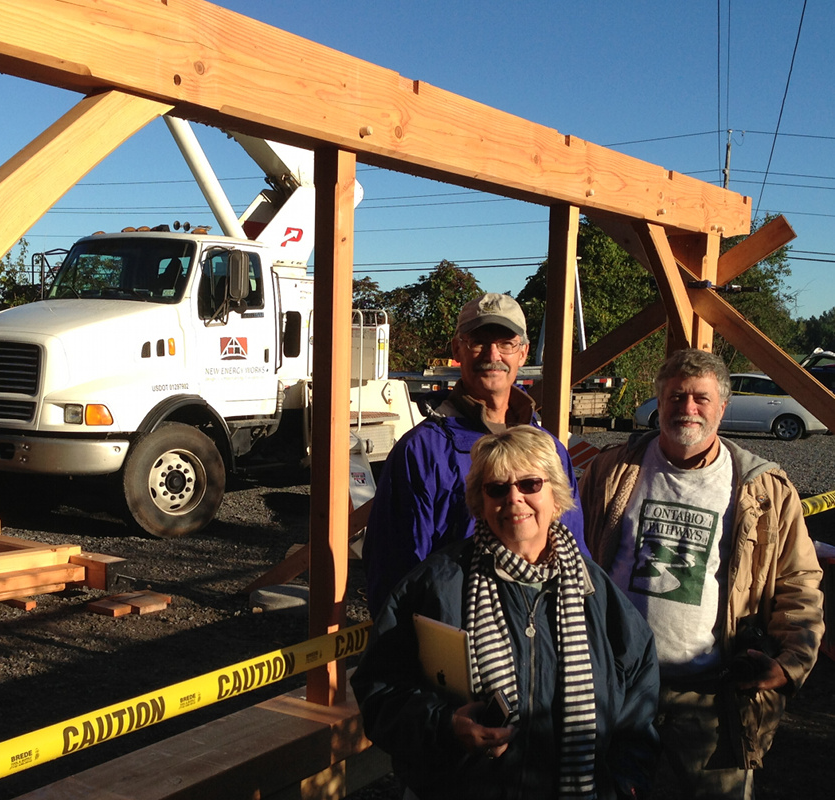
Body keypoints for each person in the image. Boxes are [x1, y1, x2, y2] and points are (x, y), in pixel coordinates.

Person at [352, 427, 660, 800]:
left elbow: (638, 701)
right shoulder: (436, 584)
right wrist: (445, 725)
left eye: (530, 484)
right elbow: (380, 692)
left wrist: (624, 781)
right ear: (479, 503)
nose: (514, 499)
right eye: (497, 488)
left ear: (557, 496)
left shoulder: (596, 592)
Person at [579, 348, 825, 799]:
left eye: (700, 399)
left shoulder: (761, 487)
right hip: (619, 687)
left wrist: (791, 665)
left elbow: (799, 583)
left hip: (711, 696)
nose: (687, 409)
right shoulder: (612, 470)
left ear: (723, 406)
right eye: (675, 397)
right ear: (659, 401)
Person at [362, 292, 586, 616]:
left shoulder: (551, 451)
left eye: (506, 343)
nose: (492, 354)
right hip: (459, 644)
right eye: (478, 342)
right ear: (457, 350)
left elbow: (574, 552)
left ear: (523, 353)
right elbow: (394, 576)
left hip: (543, 637)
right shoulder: (423, 452)